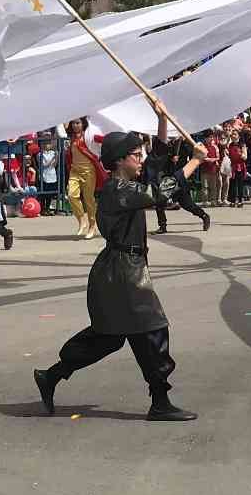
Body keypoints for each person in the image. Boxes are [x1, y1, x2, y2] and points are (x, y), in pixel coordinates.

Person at [34, 108, 200, 423]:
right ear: (120, 160)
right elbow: (159, 192)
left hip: (123, 268)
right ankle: (160, 402)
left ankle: (51, 376)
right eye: (135, 155)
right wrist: (195, 161)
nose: (141, 159)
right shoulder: (118, 190)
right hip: (122, 271)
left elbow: (156, 162)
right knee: (151, 329)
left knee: (109, 336)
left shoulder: (127, 184)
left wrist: (162, 120)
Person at [148, 133, 211, 234]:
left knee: (187, 204)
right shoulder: (163, 144)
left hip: (180, 178)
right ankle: (162, 226)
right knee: (159, 202)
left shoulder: (185, 144)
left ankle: (204, 216)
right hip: (166, 177)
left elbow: (193, 156)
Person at [63, 117, 104, 239]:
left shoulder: (89, 136)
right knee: (71, 195)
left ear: (83, 124)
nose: (75, 125)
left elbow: (102, 139)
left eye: (78, 123)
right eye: (73, 123)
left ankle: (92, 225)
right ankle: (82, 220)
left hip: (89, 171)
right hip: (75, 171)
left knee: (89, 200)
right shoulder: (72, 137)